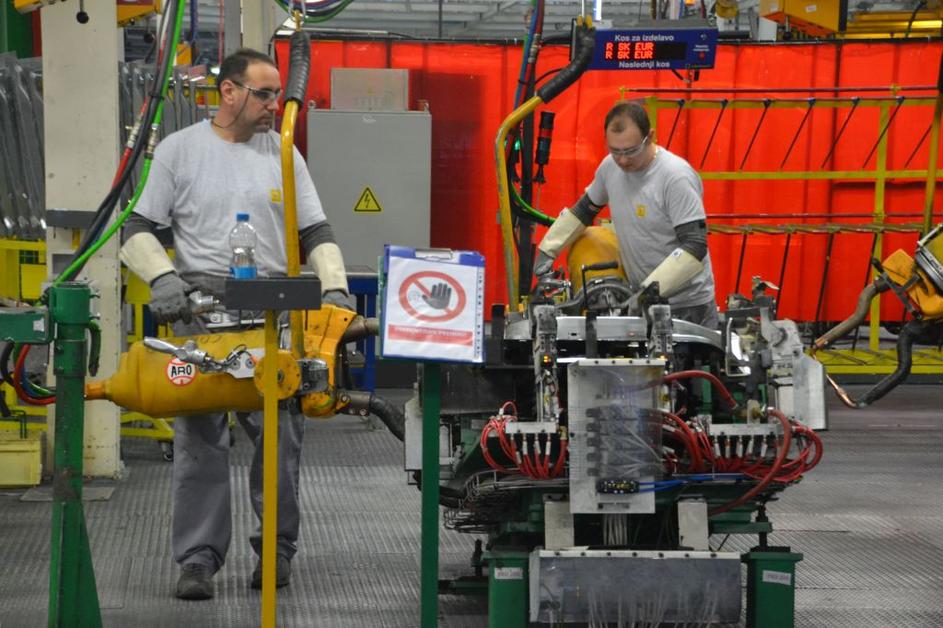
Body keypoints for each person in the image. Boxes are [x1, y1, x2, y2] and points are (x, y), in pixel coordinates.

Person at [118, 48, 353, 600]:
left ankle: (276, 551)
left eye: (278, 94)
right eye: (264, 94)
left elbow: (315, 230)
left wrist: (335, 287)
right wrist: (162, 278)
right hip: (201, 319)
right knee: (199, 440)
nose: (275, 105)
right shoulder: (180, 151)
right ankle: (198, 559)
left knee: (279, 441)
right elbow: (137, 226)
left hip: (272, 318)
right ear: (228, 92)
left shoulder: (284, 154)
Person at [534, 100, 719, 328]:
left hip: (687, 305)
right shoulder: (610, 168)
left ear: (649, 137)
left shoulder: (675, 177)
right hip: (642, 300)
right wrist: (548, 249)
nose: (622, 160)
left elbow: (695, 245)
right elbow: (584, 210)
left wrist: (646, 293)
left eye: (631, 151)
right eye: (615, 151)